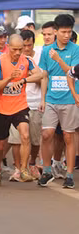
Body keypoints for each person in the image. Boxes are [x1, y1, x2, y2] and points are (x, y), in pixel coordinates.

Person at [0, 33, 42, 184]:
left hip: (20, 105)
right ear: (8, 47)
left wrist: (24, 80)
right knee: (1, 144)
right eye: (15, 49)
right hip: (1, 107)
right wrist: (10, 78)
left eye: (20, 49)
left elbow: (40, 76)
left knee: (25, 136)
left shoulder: (27, 60)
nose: (18, 52)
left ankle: (23, 169)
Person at [38, 14, 79, 188]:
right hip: (51, 99)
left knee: (69, 136)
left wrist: (58, 59)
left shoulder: (75, 50)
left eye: (69, 32)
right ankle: (47, 171)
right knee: (47, 134)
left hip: (70, 100)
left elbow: (73, 72)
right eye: (63, 32)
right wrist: (43, 98)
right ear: (55, 31)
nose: (67, 35)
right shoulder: (47, 50)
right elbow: (44, 75)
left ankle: (69, 175)